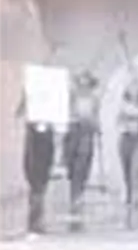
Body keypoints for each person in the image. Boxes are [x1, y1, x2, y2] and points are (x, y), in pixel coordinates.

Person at [61, 72, 103, 234]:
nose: (84, 86)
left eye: (87, 83)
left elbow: (95, 116)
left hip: (87, 132)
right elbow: (66, 113)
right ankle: (75, 192)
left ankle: (77, 196)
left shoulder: (94, 99)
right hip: (73, 131)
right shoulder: (71, 97)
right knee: (71, 165)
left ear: (90, 85)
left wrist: (98, 128)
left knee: (83, 164)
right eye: (81, 83)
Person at [114, 74, 138, 238]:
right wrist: (123, 121)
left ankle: (136, 197)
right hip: (125, 139)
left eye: (137, 87)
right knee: (126, 171)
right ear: (128, 91)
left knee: (137, 170)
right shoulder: (123, 105)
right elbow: (117, 122)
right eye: (132, 87)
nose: (135, 90)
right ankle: (130, 195)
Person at [18, 89, 56, 237]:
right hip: (35, 156)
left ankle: (36, 221)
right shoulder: (34, 125)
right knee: (37, 186)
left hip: (41, 154)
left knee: (39, 186)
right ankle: (35, 221)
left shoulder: (45, 122)